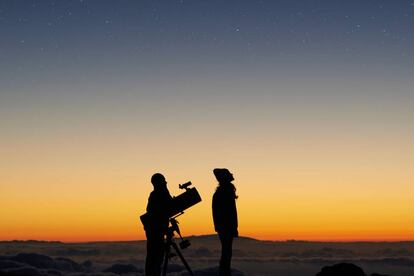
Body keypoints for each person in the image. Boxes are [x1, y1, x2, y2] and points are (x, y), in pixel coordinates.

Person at [144, 173, 172, 276]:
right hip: (155, 232)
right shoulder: (158, 194)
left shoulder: (157, 194)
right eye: (163, 180)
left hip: (155, 231)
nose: (165, 182)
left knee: (155, 260)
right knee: (155, 260)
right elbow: (168, 205)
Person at [212, 168, 238, 276]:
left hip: (225, 227)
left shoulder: (222, 192)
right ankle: (224, 273)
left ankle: (224, 272)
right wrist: (231, 228)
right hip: (226, 228)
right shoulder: (224, 193)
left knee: (226, 252)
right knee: (227, 253)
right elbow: (228, 213)